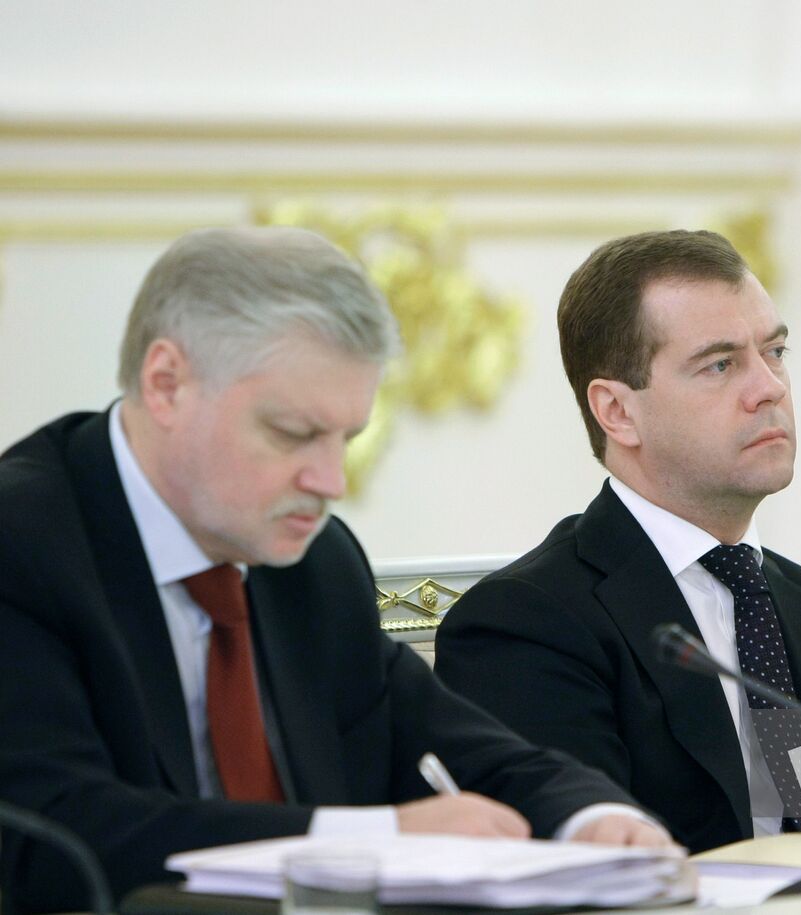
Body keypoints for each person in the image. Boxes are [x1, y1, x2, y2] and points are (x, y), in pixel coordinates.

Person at [0, 227, 671, 914]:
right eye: (293, 434)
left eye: (346, 440)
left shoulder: (314, 565)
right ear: (167, 383)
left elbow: (465, 748)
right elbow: (59, 833)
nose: (329, 482)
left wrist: (595, 820)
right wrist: (376, 840)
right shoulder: (23, 542)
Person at [434, 229, 801, 852]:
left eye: (774, 351)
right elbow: (590, 873)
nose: (769, 387)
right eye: (720, 364)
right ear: (617, 412)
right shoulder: (526, 623)